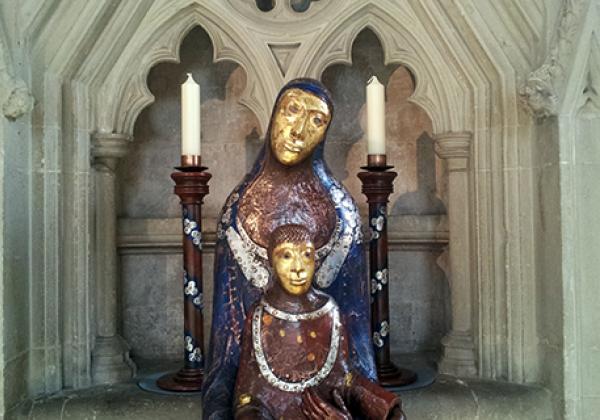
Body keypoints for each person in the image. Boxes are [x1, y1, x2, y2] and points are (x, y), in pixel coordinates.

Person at [203, 78, 375, 419]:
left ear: (325, 134)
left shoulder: (341, 213)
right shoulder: (238, 209)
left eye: (316, 121)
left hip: (326, 389)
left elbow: (354, 330)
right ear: (273, 118)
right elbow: (228, 335)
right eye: (292, 111)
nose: (298, 131)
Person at [233, 224, 405, 420]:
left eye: (306, 255)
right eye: (286, 256)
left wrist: (383, 408)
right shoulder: (259, 315)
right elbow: (248, 395)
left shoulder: (329, 311)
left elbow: (344, 379)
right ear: (271, 261)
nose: (298, 268)